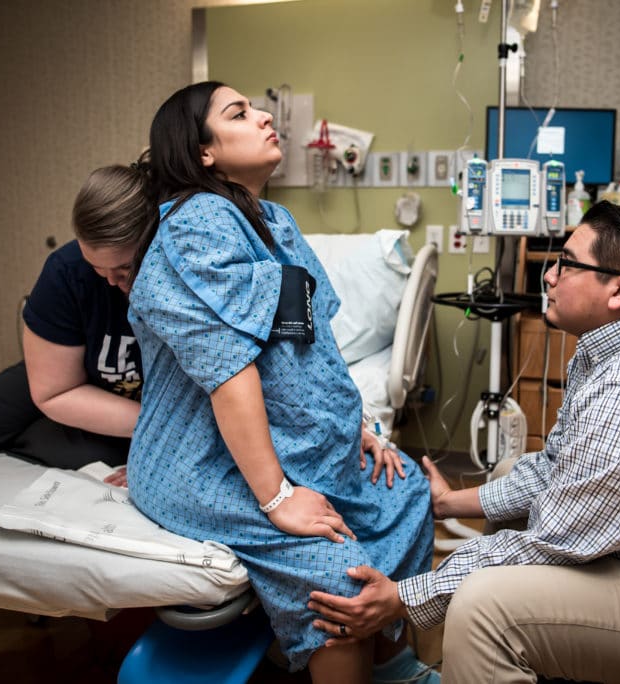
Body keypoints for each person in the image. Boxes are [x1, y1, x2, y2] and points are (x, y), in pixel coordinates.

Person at [309, 201, 620, 683]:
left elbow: (558, 540)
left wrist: (402, 597)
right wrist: (447, 503)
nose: (548, 276)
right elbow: (557, 467)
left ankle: (488, 650)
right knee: (513, 479)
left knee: (485, 608)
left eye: (567, 265)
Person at [124, 81, 436, 683]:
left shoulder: (273, 220)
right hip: (205, 462)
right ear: (202, 153)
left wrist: (361, 428)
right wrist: (278, 499)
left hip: (285, 446)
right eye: (238, 113)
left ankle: (393, 664)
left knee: (406, 496)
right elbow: (228, 370)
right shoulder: (197, 224)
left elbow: (314, 346)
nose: (265, 115)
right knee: (337, 573)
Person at [0, 162, 153, 479]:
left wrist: (160, 435)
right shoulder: (67, 269)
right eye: (98, 270)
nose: (112, 283)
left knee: (74, 455)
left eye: (124, 270)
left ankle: (46, 439)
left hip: (147, 403)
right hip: (68, 373)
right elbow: (54, 390)